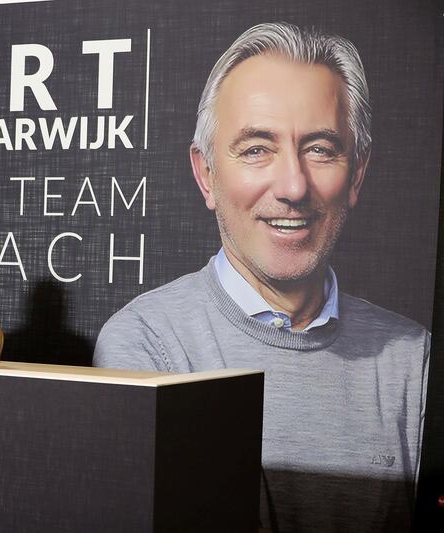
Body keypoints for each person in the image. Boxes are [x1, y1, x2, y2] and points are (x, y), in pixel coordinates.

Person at [93, 23, 429, 532]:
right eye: (255, 149)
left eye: (320, 148)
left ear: (356, 174)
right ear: (206, 175)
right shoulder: (147, 348)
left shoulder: (417, 363)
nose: (293, 185)